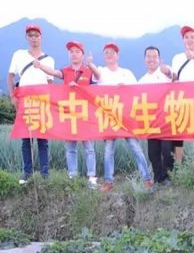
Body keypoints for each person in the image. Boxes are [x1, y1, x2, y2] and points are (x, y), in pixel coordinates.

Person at [33, 40, 101, 188]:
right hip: (69, 116)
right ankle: (72, 176)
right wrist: (40, 66)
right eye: (71, 52)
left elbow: (99, 77)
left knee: (89, 148)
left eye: (77, 51)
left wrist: (91, 64)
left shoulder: (88, 70)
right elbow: (54, 72)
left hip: (85, 115)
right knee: (70, 148)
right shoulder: (66, 71)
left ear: (82, 54)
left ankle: (91, 177)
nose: (74, 54)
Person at [94, 42, 153, 192]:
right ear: (103, 56)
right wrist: (89, 64)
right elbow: (92, 86)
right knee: (108, 149)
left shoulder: (127, 73)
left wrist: (125, 88)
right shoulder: (101, 72)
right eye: (106, 52)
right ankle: (108, 181)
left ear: (117, 55)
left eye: (112, 52)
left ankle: (146, 178)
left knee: (135, 147)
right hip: (109, 117)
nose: (109, 55)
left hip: (126, 117)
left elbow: (137, 91)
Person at [7, 23, 55, 184]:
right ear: (26, 37)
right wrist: (12, 96)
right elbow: (11, 76)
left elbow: (50, 82)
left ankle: (45, 174)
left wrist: (51, 102)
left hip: (42, 101)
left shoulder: (49, 59)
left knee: (42, 139)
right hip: (25, 101)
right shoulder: (19, 55)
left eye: (36, 35)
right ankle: (27, 173)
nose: (34, 38)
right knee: (26, 139)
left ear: (41, 37)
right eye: (30, 35)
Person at [171, 25, 194, 164]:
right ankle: (178, 166)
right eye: (186, 37)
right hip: (181, 100)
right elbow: (175, 78)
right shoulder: (177, 58)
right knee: (179, 135)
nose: (189, 39)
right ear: (183, 40)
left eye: (192, 37)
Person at [138, 46, 174, 185]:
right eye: (149, 56)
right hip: (151, 121)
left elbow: (175, 78)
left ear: (159, 59)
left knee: (167, 150)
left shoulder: (165, 73)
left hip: (166, 120)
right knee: (153, 152)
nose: (151, 59)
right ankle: (158, 178)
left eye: (154, 56)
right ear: (144, 59)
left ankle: (168, 176)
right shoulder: (141, 81)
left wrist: (169, 72)